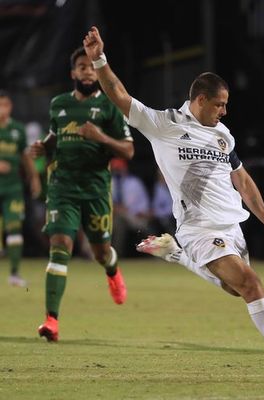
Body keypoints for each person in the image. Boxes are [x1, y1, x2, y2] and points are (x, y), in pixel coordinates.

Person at [83, 26, 264, 377]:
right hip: (199, 228)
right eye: (220, 104)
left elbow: (241, 179)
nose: (224, 112)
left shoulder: (222, 135)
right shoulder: (164, 124)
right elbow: (118, 94)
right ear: (200, 99)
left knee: (235, 288)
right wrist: (99, 59)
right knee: (252, 285)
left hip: (233, 227)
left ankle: (176, 255)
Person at [29, 46, 134, 342]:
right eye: (81, 66)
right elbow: (55, 136)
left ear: (97, 73)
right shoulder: (58, 104)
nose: (87, 71)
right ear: (73, 73)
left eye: (91, 67)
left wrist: (100, 136)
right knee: (61, 245)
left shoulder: (110, 107)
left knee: (101, 252)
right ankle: (52, 320)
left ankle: (112, 270)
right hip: (62, 188)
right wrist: (44, 146)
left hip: (96, 190)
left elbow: (129, 149)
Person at [0, 90, 41, 286]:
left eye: (5, 105)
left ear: (10, 107)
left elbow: (25, 157)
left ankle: (14, 274)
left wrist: (34, 178)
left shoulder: (17, 129)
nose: (2, 110)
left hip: (12, 188)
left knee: (14, 227)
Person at [110, 157, 151, 256]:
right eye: (115, 169)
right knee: (120, 222)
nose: (117, 171)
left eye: (119, 169)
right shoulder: (109, 182)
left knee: (125, 219)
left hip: (134, 217)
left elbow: (144, 205)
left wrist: (133, 212)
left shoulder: (134, 183)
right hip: (113, 218)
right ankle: (116, 255)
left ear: (125, 168)